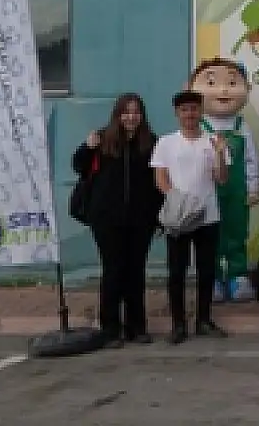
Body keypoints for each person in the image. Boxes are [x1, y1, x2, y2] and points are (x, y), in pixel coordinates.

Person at [72, 93, 161, 346]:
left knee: (136, 272)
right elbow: (79, 166)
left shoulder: (152, 142)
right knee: (113, 271)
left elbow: (158, 183)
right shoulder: (102, 139)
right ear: (118, 115)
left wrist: (157, 216)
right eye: (126, 112)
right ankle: (110, 329)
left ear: (142, 115)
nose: (131, 117)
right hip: (106, 219)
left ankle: (137, 327)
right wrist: (87, 147)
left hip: (141, 220)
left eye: (136, 112)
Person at [152, 90, 230, 344]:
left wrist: (220, 153)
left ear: (201, 111)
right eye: (184, 110)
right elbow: (161, 179)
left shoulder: (213, 140)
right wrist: (180, 203)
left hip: (208, 216)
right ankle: (178, 324)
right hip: (179, 218)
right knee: (177, 271)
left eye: (194, 109)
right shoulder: (166, 142)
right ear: (177, 113)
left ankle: (204, 320)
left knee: (206, 270)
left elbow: (222, 178)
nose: (190, 114)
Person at [188, 58, 259, 304]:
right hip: (209, 190)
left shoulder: (242, 126)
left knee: (237, 231)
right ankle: (214, 277)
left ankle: (237, 275)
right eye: (211, 83)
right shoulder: (200, 126)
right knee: (211, 234)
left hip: (237, 190)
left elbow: (251, 158)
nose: (223, 90)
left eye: (231, 83)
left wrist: (253, 187)